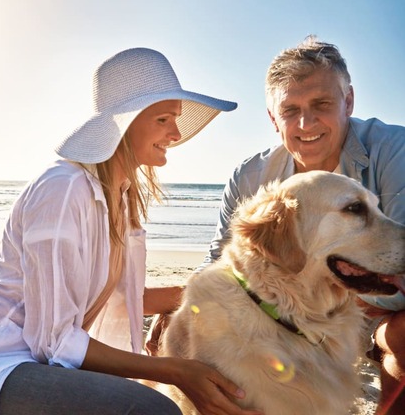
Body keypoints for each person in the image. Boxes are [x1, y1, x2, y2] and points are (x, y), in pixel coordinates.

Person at [0, 47, 263, 415]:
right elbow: (53, 341)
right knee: (152, 410)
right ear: (125, 122)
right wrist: (176, 371)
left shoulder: (120, 198)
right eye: (164, 119)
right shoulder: (64, 187)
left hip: (34, 365)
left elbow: (123, 301)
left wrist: (221, 297)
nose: (177, 133)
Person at [148, 36, 405, 414]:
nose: (306, 123)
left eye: (321, 104)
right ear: (273, 117)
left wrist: (317, 295)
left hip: (364, 312)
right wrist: (184, 307)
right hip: (283, 313)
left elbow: (397, 261)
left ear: (347, 101)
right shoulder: (251, 177)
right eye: (290, 110)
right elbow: (220, 260)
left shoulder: (394, 151)